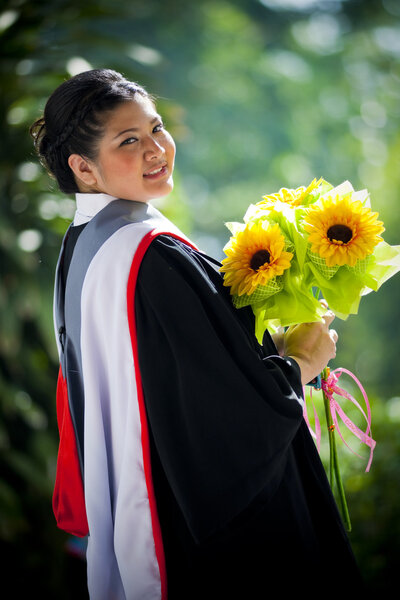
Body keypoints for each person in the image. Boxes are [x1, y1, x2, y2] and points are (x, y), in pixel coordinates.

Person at [30, 69, 364, 599]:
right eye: (129, 140)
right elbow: (220, 416)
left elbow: (171, 372)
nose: (156, 149)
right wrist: (300, 362)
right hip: (198, 528)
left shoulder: (86, 247)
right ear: (84, 168)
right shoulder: (148, 253)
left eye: (156, 128)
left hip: (151, 498)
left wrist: (264, 346)